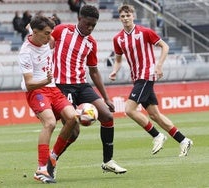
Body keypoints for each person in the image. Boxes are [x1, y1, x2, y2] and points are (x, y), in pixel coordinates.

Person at [50, 4, 127, 177]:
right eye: (87, 24)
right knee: (74, 131)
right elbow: (44, 47)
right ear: (79, 19)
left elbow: (93, 70)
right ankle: (52, 159)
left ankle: (108, 161)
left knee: (107, 115)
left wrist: (106, 98)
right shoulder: (62, 31)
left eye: (94, 25)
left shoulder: (91, 43)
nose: (90, 28)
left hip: (82, 85)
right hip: (62, 86)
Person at [109, 4, 193, 157]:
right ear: (120, 18)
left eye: (128, 15)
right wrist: (115, 71)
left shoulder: (145, 32)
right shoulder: (118, 39)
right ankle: (183, 140)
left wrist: (159, 66)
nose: (126, 18)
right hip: (137, 78)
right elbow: (118, 60)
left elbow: (165, 46)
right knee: (155, 115)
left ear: (133, 16)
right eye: (123, 16)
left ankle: (157, 135)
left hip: (146, 75)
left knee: (129, 110)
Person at [17, 15, 79, 183]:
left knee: (73, 118)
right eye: (46, 34)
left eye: (50, 33)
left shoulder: (38, 32)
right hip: (37, 91)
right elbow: (29, 84)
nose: (50, 37)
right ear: (35, 33)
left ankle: (52, 157)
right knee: (50, 123)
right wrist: (45, 80)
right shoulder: (25, 52)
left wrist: (46, 20)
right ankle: (41, 169)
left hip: (53, 89)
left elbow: (30, 25)